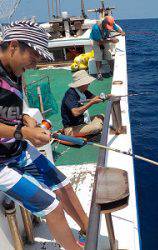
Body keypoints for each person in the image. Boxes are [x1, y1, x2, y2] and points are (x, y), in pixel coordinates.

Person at [0, 20, 88, 250]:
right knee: (52, 207)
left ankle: (89, 227)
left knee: (64, 185)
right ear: (14, 46)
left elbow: (11, 110)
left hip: (17, 148)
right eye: (33, 57)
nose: (34, 64)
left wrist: (26, 120)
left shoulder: (14, 71)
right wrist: (24, 131)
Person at [61, 70, 108, 137]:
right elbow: (75, 112)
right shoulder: (70, 94)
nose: (89, 84)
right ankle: (71, 133)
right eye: (87, 83)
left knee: (102, 116)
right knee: (98, 127)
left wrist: (106, 96)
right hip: (72, 127)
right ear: (81, 84)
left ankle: (88, 129)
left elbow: (95, 98)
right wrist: (91, 103)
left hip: (82, 121)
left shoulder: (83, 90)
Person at [90, 16, 125, 81]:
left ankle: (113, 71)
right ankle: (99, 74)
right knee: (98, 56)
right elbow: (100, 41)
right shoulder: (96, 28)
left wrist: (121, 32)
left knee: (109, 55)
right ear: (103, 23)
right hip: (96, 41)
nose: (108, 29)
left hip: (105, 38)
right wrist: (112, 40)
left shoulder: (111, 23)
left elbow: (117, 29)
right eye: (107, 27)